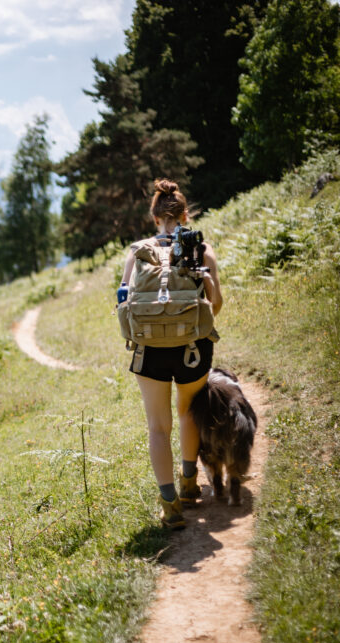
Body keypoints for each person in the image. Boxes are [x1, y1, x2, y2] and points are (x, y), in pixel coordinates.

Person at [119, 179, 222, 529]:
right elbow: (216, 303)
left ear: (154, 217)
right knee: (189, 413)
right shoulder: (201, 248)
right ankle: (191, 484)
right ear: (184, 214)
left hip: (148, 349)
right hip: (192, 347)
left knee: (157, 427)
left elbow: (123, 302)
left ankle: (170, 506)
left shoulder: (137, 251)